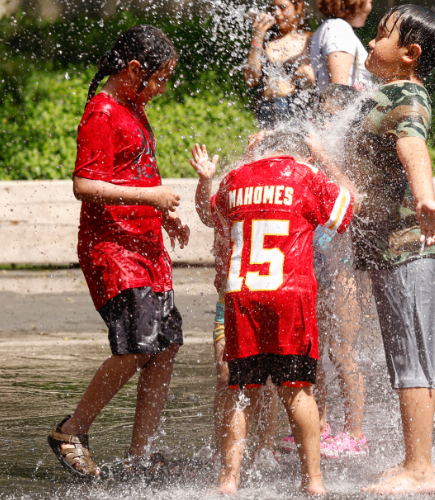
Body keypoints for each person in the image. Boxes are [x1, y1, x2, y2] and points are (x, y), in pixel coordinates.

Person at [308, 5, 435, 494]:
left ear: (409, 54)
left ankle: (420, 469)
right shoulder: (382, 93)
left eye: (382, 36)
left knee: (411, 354)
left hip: (408, 244)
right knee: (402, 353)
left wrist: (425, 195)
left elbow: (413, 146)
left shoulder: (407, 94)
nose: (370, 43)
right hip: (383, 248)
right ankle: (414, 461)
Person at [47, 25, 190, 479]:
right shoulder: (102, 112)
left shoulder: (133, 107)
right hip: (113, 249)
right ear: (133, 69)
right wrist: (153, 200)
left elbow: (136, 176)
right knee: (134, 346)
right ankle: (72, 429)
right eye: (160, 78)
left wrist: (164, 215)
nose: (163, 87)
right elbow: (84, 186)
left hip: (146, 245)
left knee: (164, 346)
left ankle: (140, 456)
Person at [191, 131, 357, 495]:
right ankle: (313, 482)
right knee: (297, 391)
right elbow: (348, 208)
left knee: (241, 389)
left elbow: (212, 214)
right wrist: (323, 158)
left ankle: (228, 480)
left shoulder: (236, 178)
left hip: (240, 296)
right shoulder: (305, 175)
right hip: (289, 296)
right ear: (301, 154)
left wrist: (223, 170)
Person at [280, 83, 369, 459]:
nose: (324, 121)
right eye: (321, 113)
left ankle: (356, 433)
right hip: (308, 265)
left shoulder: (351, 155)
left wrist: (321, 156)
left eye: (333, 115)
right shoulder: (309, 156)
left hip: (341, 267)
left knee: (341, 350)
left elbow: (354, 199)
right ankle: (321, 423)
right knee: (311, 352)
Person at [193, 142, 280, 470]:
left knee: (268, 377)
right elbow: (205, 213)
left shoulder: (277, 194)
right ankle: (223, 449)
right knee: (225, 374)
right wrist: (205, 182)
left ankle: (264, 448)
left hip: (266, 298)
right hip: (228, 302)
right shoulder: (232, 189)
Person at [243, 0, 315, 129]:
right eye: (273, 8)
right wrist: (257, 36)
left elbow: (323, 83)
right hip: (265, 107)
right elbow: (250, 79)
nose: (277, 13)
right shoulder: (266, 40)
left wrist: (310, 78)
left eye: (282, 7)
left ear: (298, 7)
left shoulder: (311, 40)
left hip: (295, 109)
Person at [309, 0, 373, 97]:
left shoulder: (329, 26)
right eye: (370, 2)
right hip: (343, 109)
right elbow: (338, 91)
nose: (370, 8)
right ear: (356, 3)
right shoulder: (339, 28)